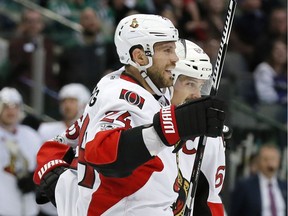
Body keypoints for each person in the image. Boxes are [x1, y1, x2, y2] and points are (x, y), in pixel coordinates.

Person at [33, 14, 226, 215]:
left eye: (201, 85)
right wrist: (167, 129)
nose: (174, 59)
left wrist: (56, 178)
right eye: (167, 50)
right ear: (140, 57)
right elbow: (101, 153)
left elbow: (65, 141)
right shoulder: (124, 96)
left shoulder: (136, 89)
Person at [171, 39, 226, 216]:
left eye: (201, 86)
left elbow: (211, 200)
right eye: (190, 84)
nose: (197, 95)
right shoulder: (140, 113)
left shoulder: (208, 137)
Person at [37, 83, 90, 216]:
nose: (67, 105)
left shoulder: (92, 131)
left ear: (83, 103)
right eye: (64, 101)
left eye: (72, 101)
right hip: (49, 206)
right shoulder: (45, 129)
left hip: (79, 203)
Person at [0, 87, 41, 215]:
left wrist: (34, 180)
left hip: (29, 209)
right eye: (6, 106)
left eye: (15, 106)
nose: (11, 111)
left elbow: (41, 164)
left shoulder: (31, 134)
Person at [229, 143, 287, 216]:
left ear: (279, 161)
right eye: (266, 159)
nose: (270, 164)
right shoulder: (245, 186)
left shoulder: (285, 187)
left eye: (273, 159)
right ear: (258, 161)